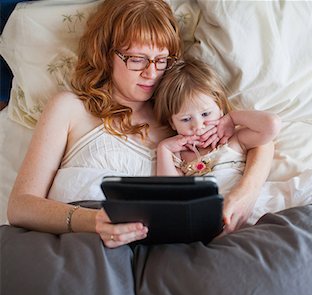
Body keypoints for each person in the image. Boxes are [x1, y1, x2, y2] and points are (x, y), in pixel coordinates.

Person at [7, 0, 274, 248]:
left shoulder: (179, 118)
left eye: (161, 60)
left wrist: (246, 193)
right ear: (105, 54)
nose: (151, 73)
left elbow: (259, 143)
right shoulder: (70, 108)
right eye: (136, 59)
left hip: (163, 253)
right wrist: (93, 221)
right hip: (79, 246)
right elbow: (21, 207)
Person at [153, 58, 281, 226]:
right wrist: (164, 150)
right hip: (212, 219)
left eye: (206, 114)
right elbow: (171, 193)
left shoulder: (234, 140)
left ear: (220, 108)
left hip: (250, 208)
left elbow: (271, 125)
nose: (198, 126)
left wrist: (233, 118)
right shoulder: (180, 155)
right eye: (185, 119)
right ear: (172, 123)